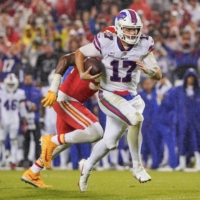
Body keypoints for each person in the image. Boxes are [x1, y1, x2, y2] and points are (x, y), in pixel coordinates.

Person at [75, 9, 162, 192]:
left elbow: (158, 75)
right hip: (108, 94)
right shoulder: (107, 41)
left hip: (131, 96)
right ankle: (137, 166)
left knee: (110, 142)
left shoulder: (144, 44)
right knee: (136, 119)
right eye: (128, 29)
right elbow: (80, 52)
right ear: (120, 27)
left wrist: (148, 70)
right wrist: (83, 73)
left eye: (135, 29)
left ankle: (87, 165)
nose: (132, 33)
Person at [21, 52, 103, 188]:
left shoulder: (115, 68)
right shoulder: (90, 53)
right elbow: (64, 59)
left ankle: (32, 172)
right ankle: (50, 140)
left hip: (69, 100)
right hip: (67, 100)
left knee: (64, 142)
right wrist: (53, 88)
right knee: (96, 132)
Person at [0, 73, 27, 169]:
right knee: (1, 141)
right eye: (9, 84)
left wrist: (24, 122)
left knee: (14, 141)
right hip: (3, 119)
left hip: (14, 120)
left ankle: (13, 161)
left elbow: (22, 109)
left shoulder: (20, 93)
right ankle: (2, 160)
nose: (10, 86)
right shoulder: (2, 91)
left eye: (12, 84)